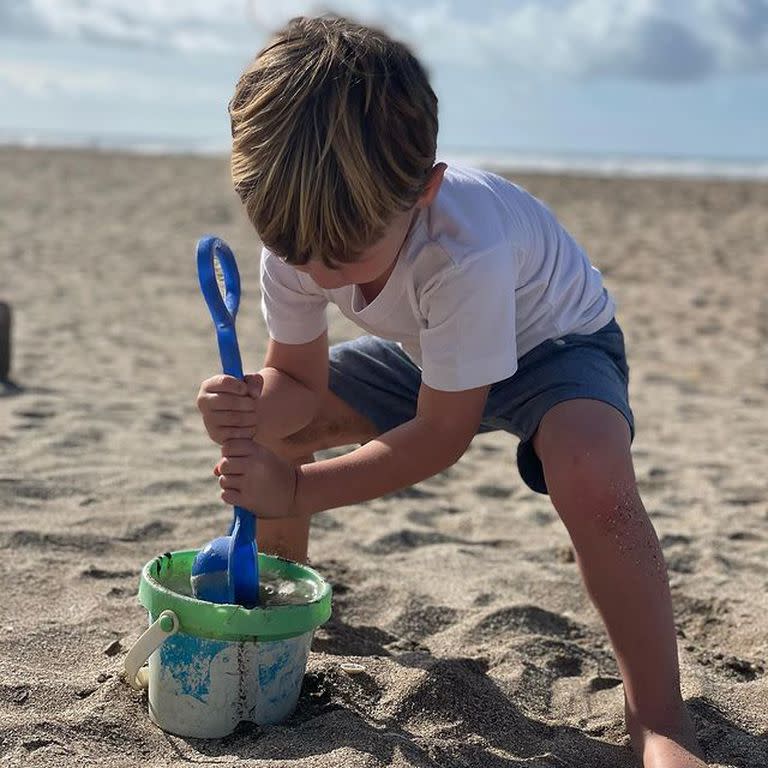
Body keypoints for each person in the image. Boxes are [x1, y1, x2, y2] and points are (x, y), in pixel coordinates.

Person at [196, 15, 706, 768]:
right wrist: (253, 405)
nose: (321, 271)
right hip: (430, 351)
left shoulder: (464, 246)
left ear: (425, 191)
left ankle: (660, 719)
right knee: (279, 434)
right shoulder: (301, 238)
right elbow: (299, 384)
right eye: (295, 250)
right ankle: (272, 606)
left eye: (344, 251)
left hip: (553, 350)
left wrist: (295, 489)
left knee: (592, 475)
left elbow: (442, 437)